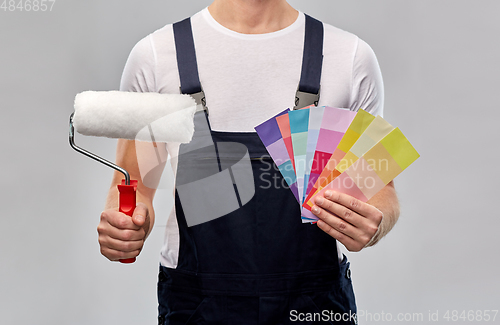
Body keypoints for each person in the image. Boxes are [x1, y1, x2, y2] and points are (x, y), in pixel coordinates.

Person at [97, 0, 400, 323]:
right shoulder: (156, 56)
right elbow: (131, 187)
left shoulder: (351, 57)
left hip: (314, 305)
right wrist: (124, 227)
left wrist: (377, 223)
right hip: (198, 305)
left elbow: (381, 190)